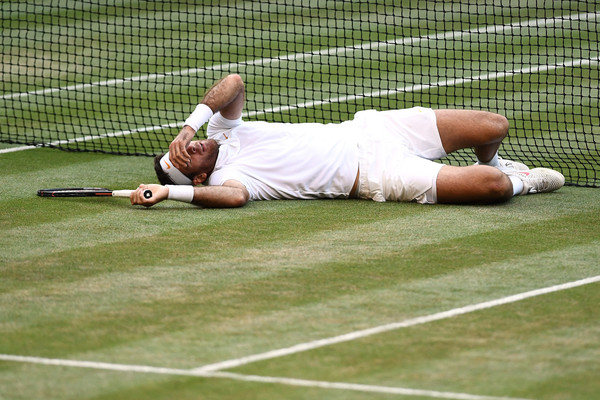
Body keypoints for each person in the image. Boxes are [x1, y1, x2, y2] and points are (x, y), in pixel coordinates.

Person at [130, 73, 565, 208]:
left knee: (493, 125)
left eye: (184, 146)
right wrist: (171, 191)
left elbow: (234, 82)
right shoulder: (232, 179)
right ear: (199, 175)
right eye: (187, 157)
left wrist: (189, 126)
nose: (190, 148)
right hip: (376, 174)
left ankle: (499, 161)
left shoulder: (220, 130)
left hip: (371, 130)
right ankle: (523, 181)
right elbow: (233, 200)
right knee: (490, 189)